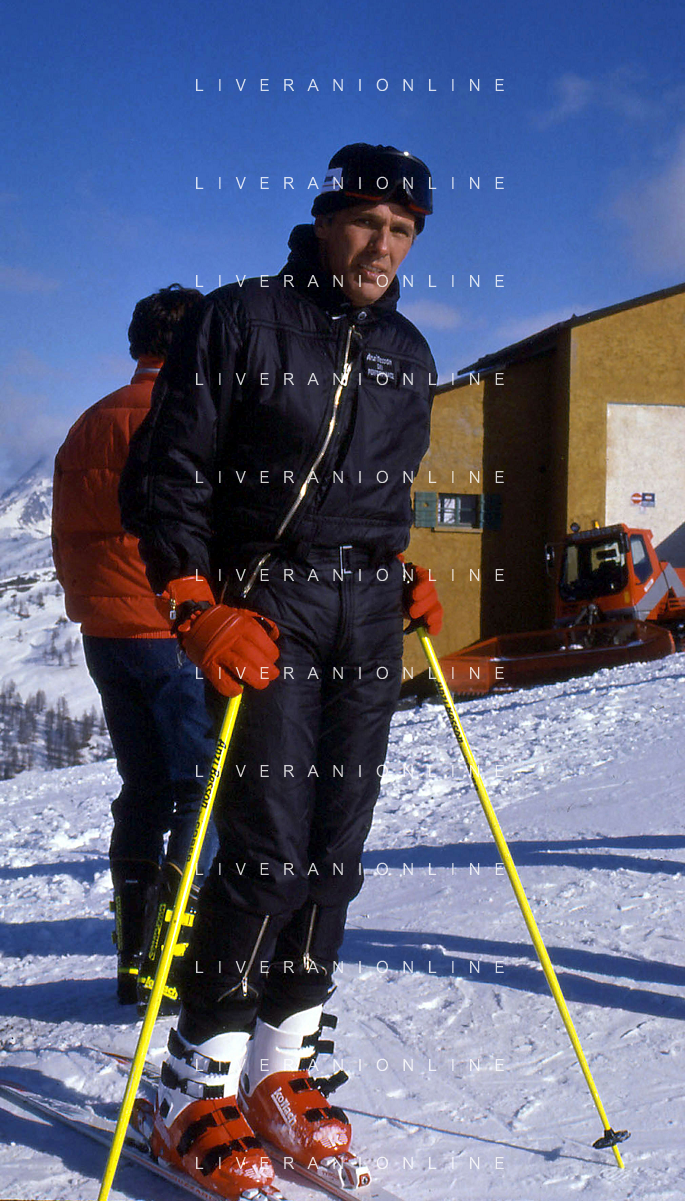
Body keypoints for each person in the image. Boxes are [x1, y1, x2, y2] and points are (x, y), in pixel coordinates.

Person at [119, 144, 443, 1199]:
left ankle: (278, 1070)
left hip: (364, 616)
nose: (383, 246)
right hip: (266, 606)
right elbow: (164, 477)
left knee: (334, 849)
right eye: (367, 223)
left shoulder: (407, 350)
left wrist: (397, 570)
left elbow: (381, 493)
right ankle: (193, 1085)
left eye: (402, 231)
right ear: (324, 219)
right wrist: (192, 599)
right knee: (264, 848)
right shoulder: (242, 317)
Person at [52, 284, 217, 1009]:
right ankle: (175, 958)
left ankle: (133, 950)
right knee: (199, 788)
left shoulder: (88, 423)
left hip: (105, 634)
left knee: (144, 786)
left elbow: (66, 532)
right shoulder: (186, 414)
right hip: (171, 627)